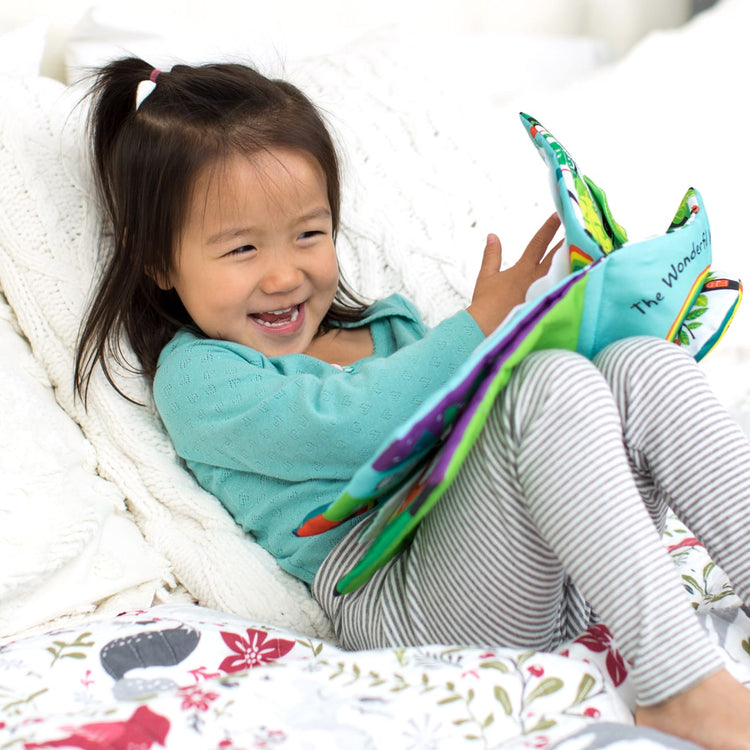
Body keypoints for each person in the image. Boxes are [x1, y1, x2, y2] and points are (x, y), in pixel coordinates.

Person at [75, 57, 750, 750]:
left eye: (309, 234)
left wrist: (572, 321)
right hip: (399, 597)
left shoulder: (389, 330)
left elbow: (482, 442)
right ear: (157, 262)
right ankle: (681, 688)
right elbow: (356, 429)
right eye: (242, 248)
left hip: (556, 579)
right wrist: (480, 330)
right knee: (548, 385)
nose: (283, 274)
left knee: (640, 362)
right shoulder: (202, 377)